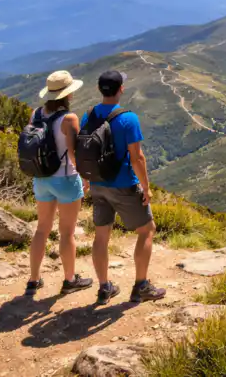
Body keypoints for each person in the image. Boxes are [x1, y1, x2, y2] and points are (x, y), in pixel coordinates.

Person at [84, 71, 166, 305]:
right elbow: (137, 157)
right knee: (147, 230)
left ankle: (104, 287)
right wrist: (146, 187)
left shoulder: (88, 115)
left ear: (100, 89)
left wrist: (87, 179)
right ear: (121, 89)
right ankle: (141, 285)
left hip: (98, 185)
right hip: (123, 184)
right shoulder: (128, 119)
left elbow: (84, 151)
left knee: (101, 236)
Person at [26, 71, 94, 297]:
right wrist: (85, 177)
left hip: (41, 177)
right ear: (68, 94)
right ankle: (69, 279)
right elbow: (74, 154)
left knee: (41, 230)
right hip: (65, 178)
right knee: (67, 233)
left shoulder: (35, 114)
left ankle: (34, 280)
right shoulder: (69, 119)